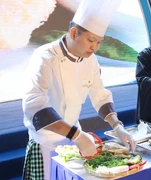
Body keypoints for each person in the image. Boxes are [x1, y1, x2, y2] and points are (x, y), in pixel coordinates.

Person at [22, 0, 136, 179]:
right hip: (46, 142)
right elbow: (35, 106)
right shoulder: (44, 57)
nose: (95, 47)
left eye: (99, 42)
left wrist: (117, 126)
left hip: (75, 140)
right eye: (91, 40)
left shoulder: (90, 60)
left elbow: (100, 96)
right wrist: (78, 135)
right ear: (74, 33)